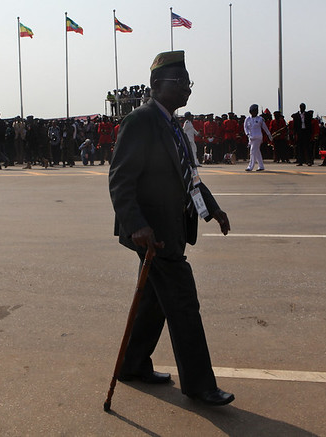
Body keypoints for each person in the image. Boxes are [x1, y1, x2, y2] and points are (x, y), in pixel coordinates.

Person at [108, 50, 234, 406]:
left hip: (171, 228)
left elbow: (187, 177)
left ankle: (133, 364)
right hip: (154, 233)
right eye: (180, 83)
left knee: (152, 300)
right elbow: (120, 179)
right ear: (157, 85)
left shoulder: (171, 125)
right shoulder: (141, 121)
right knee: (183, 303)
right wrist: (136, 225)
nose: (187, 90)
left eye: (188, 83)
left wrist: (212, 209)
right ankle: (199, 385)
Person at [244, 104, 273, 172]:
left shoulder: (260, 119)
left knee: (252, 151)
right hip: (251, 137)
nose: (256, 112)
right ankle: (261, 166)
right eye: (254, 111)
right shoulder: (247, 119)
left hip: (258, 137)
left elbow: (265, 128)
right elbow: (245, 128)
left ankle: (250, 166)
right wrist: (247, 134)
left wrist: (269, 135)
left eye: (256, 111)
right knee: (257, 152)